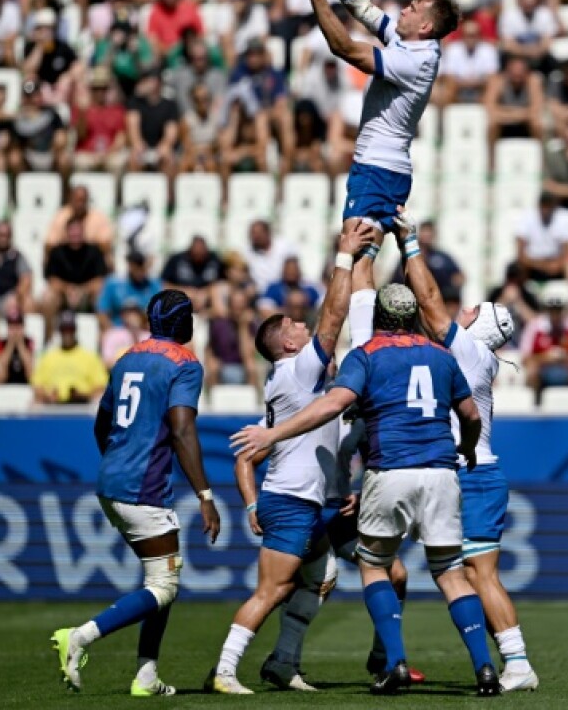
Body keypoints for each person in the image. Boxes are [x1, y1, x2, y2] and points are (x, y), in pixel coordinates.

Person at [229, 281, 499, 696]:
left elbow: (335, 401)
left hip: (382, 477)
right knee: (448, 572)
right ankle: (484, 667)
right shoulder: (443, 356)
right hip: (437, 473)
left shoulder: (362, 361)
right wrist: (466, 449)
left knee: (375, 569)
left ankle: (388, 661)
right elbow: (470, 414)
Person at [204, 224, 367, 695]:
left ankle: (283, 662)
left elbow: (246, 457)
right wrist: (343, 258)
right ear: (291, 346)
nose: (304, 324)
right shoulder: (298, 371)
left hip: (306, 503)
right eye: (296, 326)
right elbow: (333, 320)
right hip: (293, 501)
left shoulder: (291, 384)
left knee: (323, 575)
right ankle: (225, 669)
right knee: (272, 591)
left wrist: (253, 504)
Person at [385, 214, 540, 691]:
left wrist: (410, 247)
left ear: (483, 327)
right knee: (462, 574)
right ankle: (504, 658)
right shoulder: (473, 356)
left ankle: (518, 663)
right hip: (458, 473)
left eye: (473, 309)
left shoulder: (469, 351)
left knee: (480, 573)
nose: (463, 311)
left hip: (473, 473)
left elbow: (429, 303)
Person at [50, 291, 221, 698]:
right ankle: (79, 636)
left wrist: (118, 462)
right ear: (184, 325)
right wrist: (205, 494)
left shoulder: (126, 358)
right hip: (141, 487)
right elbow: (181, 430)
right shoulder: (185, 363)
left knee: (160, 579)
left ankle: (146, 676)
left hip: (110, 480)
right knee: (164, 586)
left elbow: (101, 423)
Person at [291, 0, 457, 239]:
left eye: (412, 9)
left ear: (424, 25)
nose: (403, 9)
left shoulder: (413, 61)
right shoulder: (412, 43)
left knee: (349, 252)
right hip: (389, 169)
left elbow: (344, 48)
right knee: (361, 259)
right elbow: (361, 7)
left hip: (375, 168)